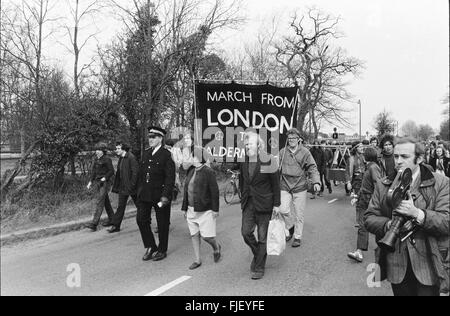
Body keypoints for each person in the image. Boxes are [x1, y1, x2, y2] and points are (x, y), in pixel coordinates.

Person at [364, 137, 449, 296]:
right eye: (396, 156)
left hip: (429, 263)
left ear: (420, 158)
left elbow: (446, 222)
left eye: (404, 157)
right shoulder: (384, 184)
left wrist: (417, 214)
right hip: (397, 263)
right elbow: (369, 217)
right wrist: (388, 225)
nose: (398, 161)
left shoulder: (441, 183)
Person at [239, 130, 280, 280]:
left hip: (265, 203)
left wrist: (277, 204)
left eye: (249, 144)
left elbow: (276, 184)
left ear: (258, 145)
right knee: (245, 232)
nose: (247, 146)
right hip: (248, 203)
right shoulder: (243, 160)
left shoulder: (268, 159)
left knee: (263, 237)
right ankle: (259, 255)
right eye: (245, 144)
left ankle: (259, 267)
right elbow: (242, 181)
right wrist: (242, 197)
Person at [136, 126, 176, 262]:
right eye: (149, 137)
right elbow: (141, 174)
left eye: (153, 137)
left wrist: (166, 195)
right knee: (141, 220)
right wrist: (138, 191)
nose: (150, 140)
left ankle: (162, 249)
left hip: (160, 195)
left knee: (162, 223)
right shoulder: (146, 153)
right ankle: (151, 246)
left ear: (160, 138)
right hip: (145, 194)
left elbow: (170, 178)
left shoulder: (166, 155)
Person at [278, 128, 321, 248]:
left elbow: (312, 167)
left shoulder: (305, 152)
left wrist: (316, 182)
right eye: (289, 138)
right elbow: (276, 167)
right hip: (285, 185)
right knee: (282, 209)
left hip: (300, 186)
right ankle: (290, 226)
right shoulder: (282, 152)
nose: (291, 140)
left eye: (294, 138)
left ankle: (297, 236)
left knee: (299, 214)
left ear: (298, 139)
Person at [181, 146, 221, 270]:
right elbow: (187, 190)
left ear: (198, 157)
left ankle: (216, 247)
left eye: (191, 156)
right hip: (191, 209)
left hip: (205, 209)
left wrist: (215, 210)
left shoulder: (208, 172)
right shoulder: (191, 171)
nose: (189, 159)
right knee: (194, 235)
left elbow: (214, 192)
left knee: (207, 237)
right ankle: (197, 260)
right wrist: (184, 208)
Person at [347, 147, 381, 263]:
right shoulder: (370, 167)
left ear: (367, 156)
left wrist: (374, 200)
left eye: (364, 153)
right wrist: (357, 197)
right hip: (364, 198)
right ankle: (359, 251)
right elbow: (366, 185)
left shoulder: (373, 167)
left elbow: (378, 185)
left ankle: (382, 252)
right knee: (363, 225)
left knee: (373, 226)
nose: (362, 155)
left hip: (369, 199)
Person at [109, 142, 139, 233]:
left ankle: (146, 220)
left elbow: (135, 173)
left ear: (124, 149)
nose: (116, 150)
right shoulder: (121, 158)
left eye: (118, 148)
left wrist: (132, 186)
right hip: (123, 187)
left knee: (140, 206)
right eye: (116, 148)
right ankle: (116, 226)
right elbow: (119, 173)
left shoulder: (131, 158)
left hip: (132, 187)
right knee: (121, 206)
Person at [86, 143, 115, 232]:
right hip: (98, 182)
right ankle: (113, 219)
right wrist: (90, 181)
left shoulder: (107, 159)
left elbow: (111, 171)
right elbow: (93, 172)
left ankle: (94, 223)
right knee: (105, 202)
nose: (97, 152)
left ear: (103, 151)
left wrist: (105, 178)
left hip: (105, 183)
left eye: (99, 150)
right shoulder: (96, 159)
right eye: (96, 150)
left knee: (100, 202)